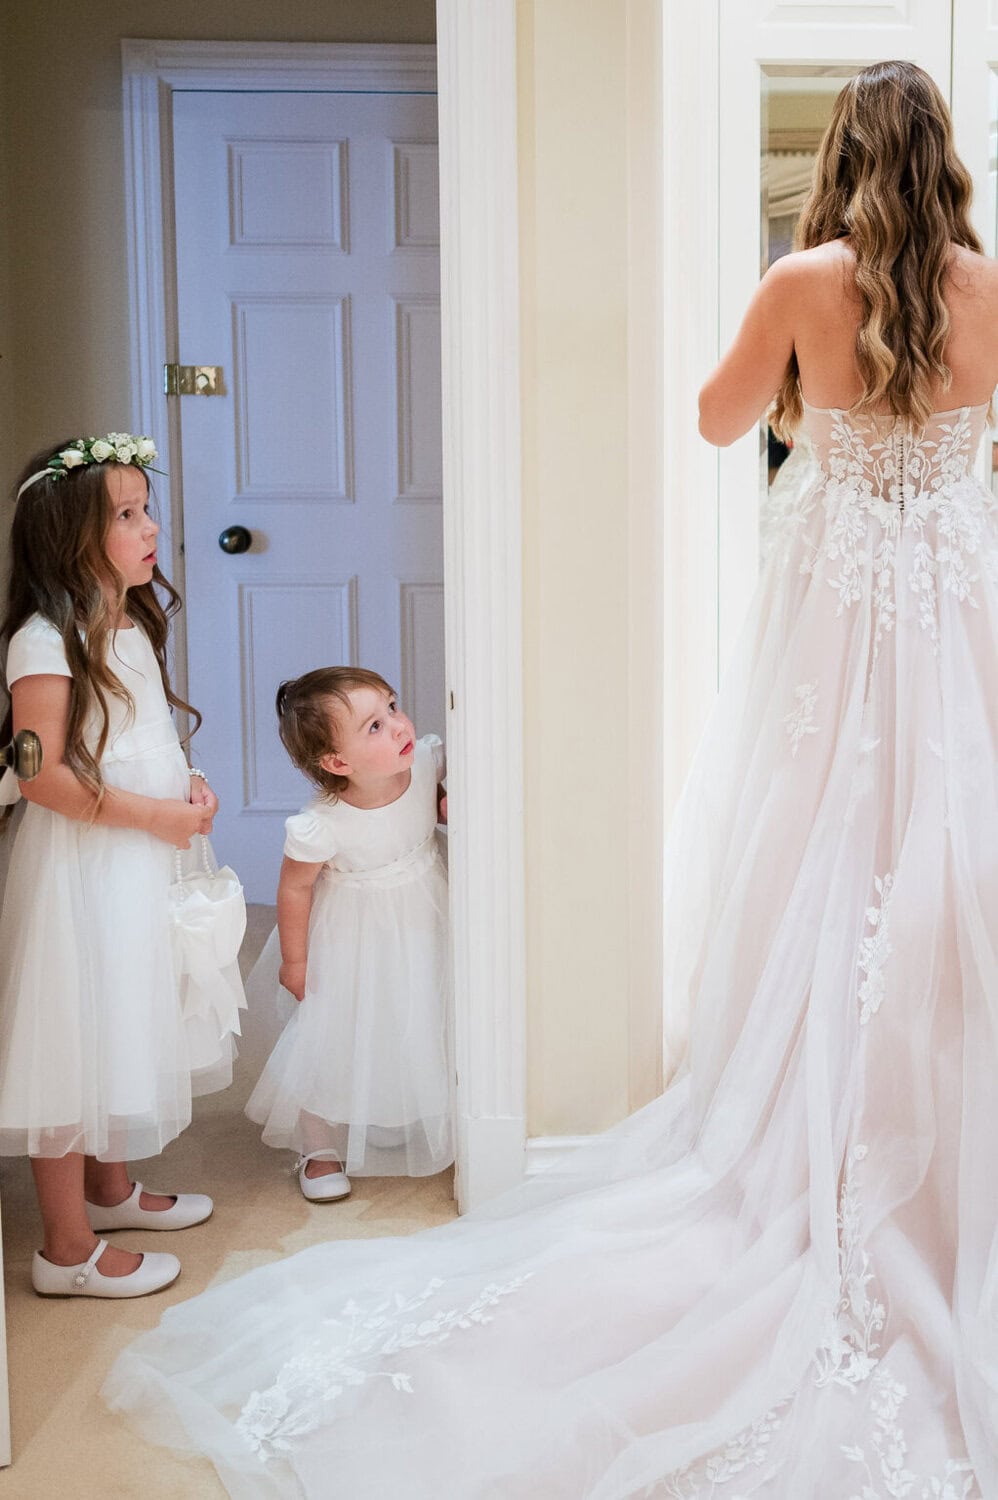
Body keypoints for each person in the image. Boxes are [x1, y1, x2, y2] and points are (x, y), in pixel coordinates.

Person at [105, 61, 998, 1493]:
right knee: (942, 875)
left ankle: (808, 1161)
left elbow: (717, 423)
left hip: (839, 625)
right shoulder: (984, 282)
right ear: (942, 155)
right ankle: (935, 1183)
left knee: (817, 862)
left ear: (841, 153)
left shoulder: (802, 280)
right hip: (951, 628)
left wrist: (802, 401)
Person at [0, 434, 244, 1299]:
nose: (151, 530)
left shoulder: (127, 623)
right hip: (86, 867)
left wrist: (191, 789)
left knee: (125, 1010)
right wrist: (155, 816)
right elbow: (41, 778)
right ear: (70, 536)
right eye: (129, 516)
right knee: (74, 1032)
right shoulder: (43, 641)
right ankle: (65, 1250)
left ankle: (109, 1188)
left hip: (138, 855)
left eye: (149, 510)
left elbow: (137, 739)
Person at [244, 667, 452, 1197]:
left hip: (424, 916)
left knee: (417, 1014)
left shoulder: (425, 762)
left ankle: (393, 1109)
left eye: (392, 707)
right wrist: (296, 962)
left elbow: (444, 797)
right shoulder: (322, 823)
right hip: (351, 939)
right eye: (374, 727)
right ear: (337, 763)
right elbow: (294, 890)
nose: (399, 725)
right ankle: (320, 1147)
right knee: (336, 1036)